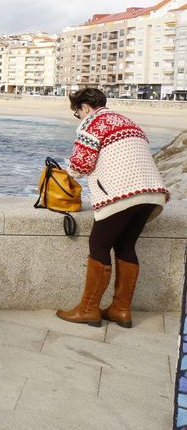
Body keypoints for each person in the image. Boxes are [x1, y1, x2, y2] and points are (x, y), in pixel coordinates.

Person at [56, 87, 168, 328]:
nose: (79, 117)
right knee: (125, 246)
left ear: (85, 107)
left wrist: (66, 172)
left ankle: (88, 309)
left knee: (98, 245)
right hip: (152, 193)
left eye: (78, 113)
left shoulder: (92, 122)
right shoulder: (128, 122)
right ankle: (120, 310)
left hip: (122, 193)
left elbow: (81, 164)